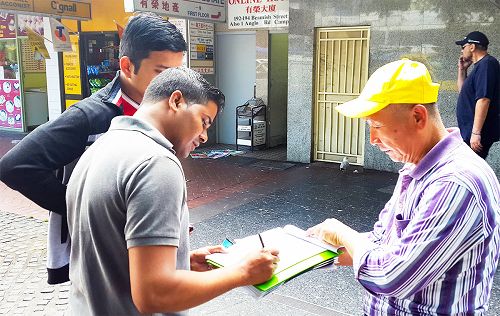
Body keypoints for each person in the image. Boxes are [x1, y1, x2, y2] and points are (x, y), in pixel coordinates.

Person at [66, 67, 280, 315]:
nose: (204, 136)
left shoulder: (100, 147)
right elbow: (154, 294)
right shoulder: (156, 164)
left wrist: (181, 262)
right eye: (204, 121)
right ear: (176, 101)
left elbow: (109, 252)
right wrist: (242, 272)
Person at [0, 12, 186, 284]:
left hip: (140, 242)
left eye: (176, 73)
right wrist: (87, 210)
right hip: (97, 251)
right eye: (161, 73)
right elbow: (14, 167)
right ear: (127, 66)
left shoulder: (158, 108)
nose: (171, 86)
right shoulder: (91, 116)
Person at [307, 59, 500, 315]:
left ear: (418, 116)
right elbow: (381, 242)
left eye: (377, 126)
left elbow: (391, 275)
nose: (373, 140)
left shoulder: (456, 181)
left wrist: (341, 232)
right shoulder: (415, 166)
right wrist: (305, 253)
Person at [455, 31, 500, 159]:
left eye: (463, 47)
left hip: (477, 134)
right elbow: (463, 92)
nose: (461, 51)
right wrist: (462, 70)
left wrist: (476, 133)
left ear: (472, 47)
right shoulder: (480, 66)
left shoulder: (487, 64)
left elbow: (484, 99)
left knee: (468, 169)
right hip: (470, 133)